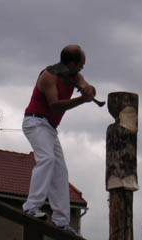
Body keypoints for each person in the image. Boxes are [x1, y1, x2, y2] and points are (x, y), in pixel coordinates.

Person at [22, 45, 96, 236]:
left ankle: (61, 220)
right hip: (35, 122)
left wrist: (88, 90)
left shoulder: (73, 75)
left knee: (60, 171)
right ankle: (31, 206)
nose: (82, 69)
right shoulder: (49, 76)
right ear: (71, 63)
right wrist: (82, 100)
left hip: (49, 129)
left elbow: (83, 83)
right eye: (80, 65)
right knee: (47, 159)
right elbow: (55, 106)